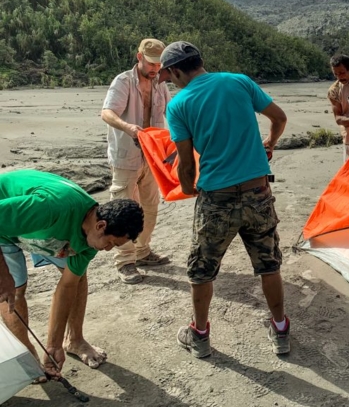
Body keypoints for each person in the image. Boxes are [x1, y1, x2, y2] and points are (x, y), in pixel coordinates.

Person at [158, 41, 290, 357]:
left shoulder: (179, 105)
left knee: (201, 270)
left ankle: (199, 336)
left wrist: (188, 188)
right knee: (269, 265)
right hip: (258, 193)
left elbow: (186, 162)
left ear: (176, 71)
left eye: (169, 76)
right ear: (200, 61)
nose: (171, 82)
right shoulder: (239, 81)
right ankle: (281, 329)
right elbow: (280, 117)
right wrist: (269, 143)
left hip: (216, 199)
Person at [0, 170, 143, 378]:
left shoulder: (91, 240)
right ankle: (26, 356)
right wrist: (3, 275)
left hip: (39, 229)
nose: (108, 249)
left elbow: (67, 286)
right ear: (100, 226)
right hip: (7, 223)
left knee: (76, 276)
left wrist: (53, 345)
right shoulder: (49, 207)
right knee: (13, 291)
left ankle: (74, 341)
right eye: (111, 243)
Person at [101, 38, 172, 284]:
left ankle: (142, 252)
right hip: (126, 157)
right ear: (139, 57)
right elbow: (107, 113)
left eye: (159, 65)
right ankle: (125, 262)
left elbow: (172, 111)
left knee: (150, 208)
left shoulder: (160, 84)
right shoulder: (122, 82)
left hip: (153, 158)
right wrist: (128, 126)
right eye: (151, 63)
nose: (155, 69)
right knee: (123, 209)